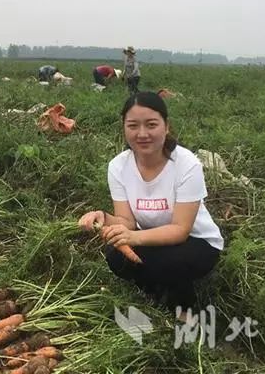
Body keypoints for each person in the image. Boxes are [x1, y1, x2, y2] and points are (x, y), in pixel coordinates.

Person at [78, 92, 223, 318]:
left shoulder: (186, 164)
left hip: (197, 242)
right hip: (153, 238)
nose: (142, 134)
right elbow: (127, 222)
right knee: (116, 256)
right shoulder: (118, 166)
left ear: (166, 127)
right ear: (124, 128)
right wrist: (103, 217)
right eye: (133, 125)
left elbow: (180, 230)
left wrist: (134, 238)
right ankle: (156, 291)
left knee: (170, 262)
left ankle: (184, 311)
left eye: (151, 125)